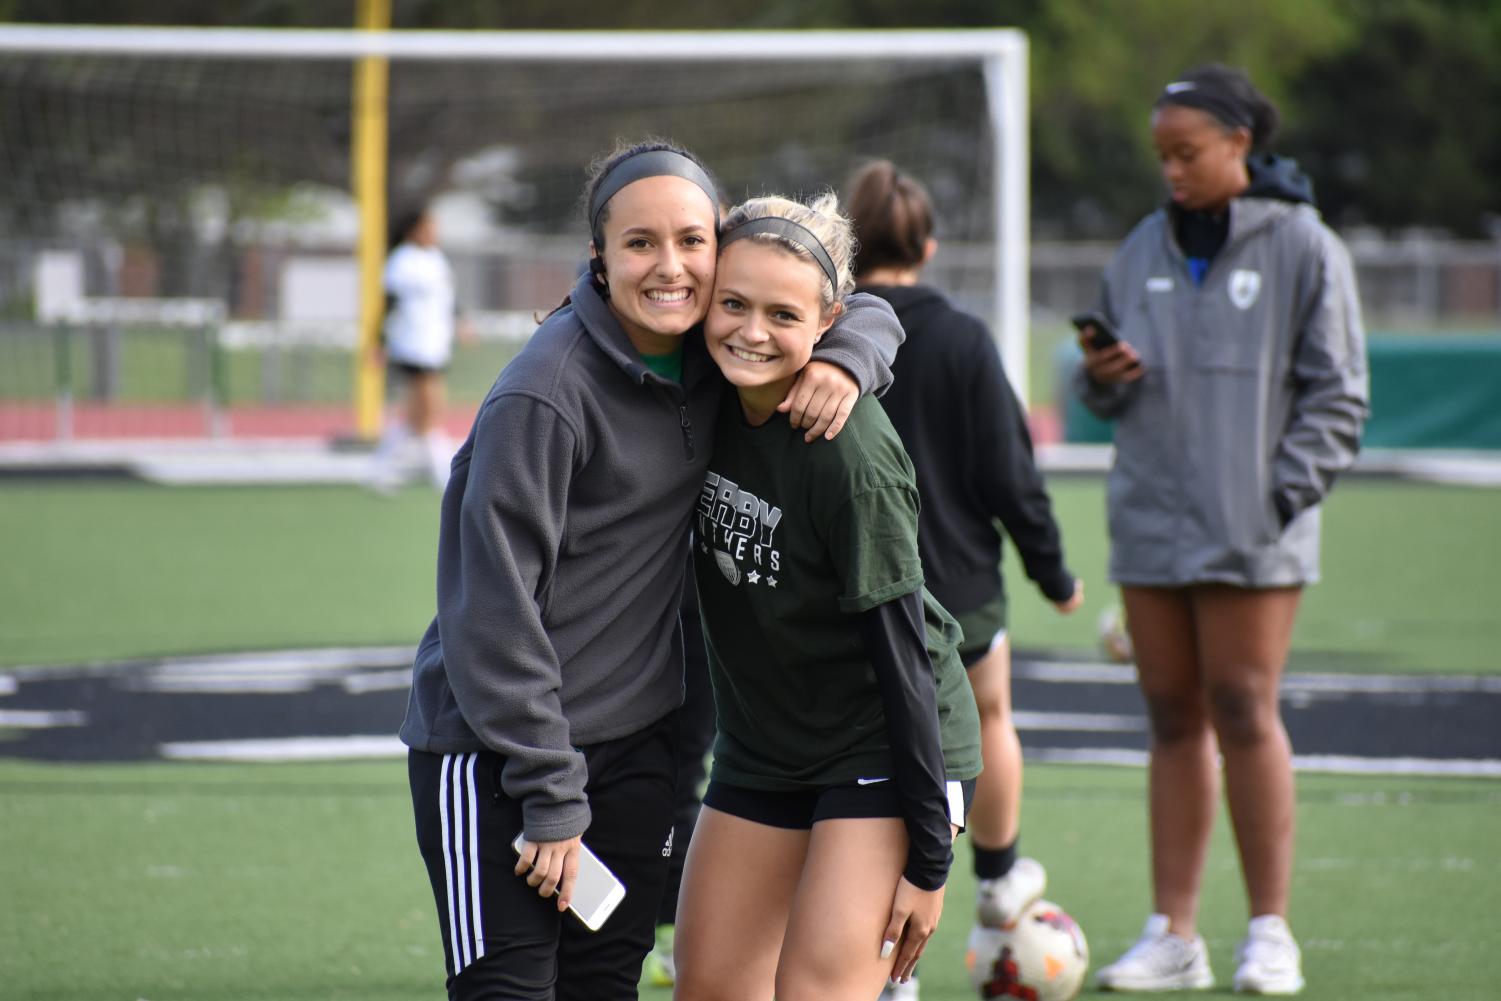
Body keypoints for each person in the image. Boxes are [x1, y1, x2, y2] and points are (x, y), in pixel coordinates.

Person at [399, 139, 905, 1001]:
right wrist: (550, 795)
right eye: (639, 244)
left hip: (634, 753)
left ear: (720, 247)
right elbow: (493, 611)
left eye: (690, 241)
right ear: (599, 255)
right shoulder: (543, 392)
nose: (669, 267)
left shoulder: (717, 349)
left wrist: (846, 356)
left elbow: (862, 306)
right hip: (499, 755)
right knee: (512, 991)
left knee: (604, 984)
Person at [1074, 65, 1368, 995]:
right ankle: (1175, 934)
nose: (1171, 170)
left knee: (1243, 708)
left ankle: (1269, 933)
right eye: (1161, 154)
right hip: (1151, 523)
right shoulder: (1140, 248)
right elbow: (1097, 391)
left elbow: (1338, 394)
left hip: (1253, 534)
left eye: (1186, 152)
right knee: (1170, 718)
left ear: (1240, 144)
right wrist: (1104, 375)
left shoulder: (1304, 245)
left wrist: (1280, 497)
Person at [670, 192, 982, 1001]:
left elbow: (902, 657)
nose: (749, 330)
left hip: (884, 746)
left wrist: (927, 857)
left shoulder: (848, 455)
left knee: (812, 992)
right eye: (731, 303)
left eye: (782, 314)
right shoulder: (699, 387)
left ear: (827, 322)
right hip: (764, 745)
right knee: (708, 987)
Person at [843, 160, 1084, 1000]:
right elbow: (1009, 475)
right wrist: (1053, 571)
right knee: (985, 719)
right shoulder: (963, 338)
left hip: (853, 591)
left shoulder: (828, 330)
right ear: (930, 245)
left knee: (865, 767)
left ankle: (886, 969)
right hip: (960, 589)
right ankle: (995, 874)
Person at [370, 206, 466, 491]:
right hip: (411, 344)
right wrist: (379, 342)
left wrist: (461, 320)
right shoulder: (401, 261)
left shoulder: (435, 259)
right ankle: (442, 471)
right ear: (414, 230)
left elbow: (447, 298)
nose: (433, 233)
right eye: (428, 227)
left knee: (417, 415)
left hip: (435, 344)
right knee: (430, 409)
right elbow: (389, 304)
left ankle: (381, 467)